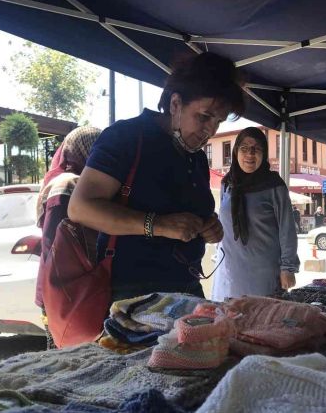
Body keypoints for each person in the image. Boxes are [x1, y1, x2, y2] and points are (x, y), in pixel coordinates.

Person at [69, 52, 244, 301]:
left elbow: (190, 211)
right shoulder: (126, 137)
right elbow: (80, 208)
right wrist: (158, 225)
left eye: (218, 121)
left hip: (188, 286)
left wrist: (209, 226)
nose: (210, 130)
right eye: (204, 117)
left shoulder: (195, 155)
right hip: (133, 294)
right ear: (175, 104)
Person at [211, 127, 299, 300]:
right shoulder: (227, 183)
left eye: (256, 149)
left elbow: (287, 229)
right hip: (230, 269)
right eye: (244, 148)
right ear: (236, 152)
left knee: (261, 321)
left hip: (264, 273)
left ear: (264, 153)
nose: (250, 154)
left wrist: (288, 268)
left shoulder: (274, 185)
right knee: (230, 320)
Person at [35, 127, 101, 349]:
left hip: (67, 287)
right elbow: (55, 245)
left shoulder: (78, 183)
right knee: (67, 360)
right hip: (67, 289)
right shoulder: (68, 184)